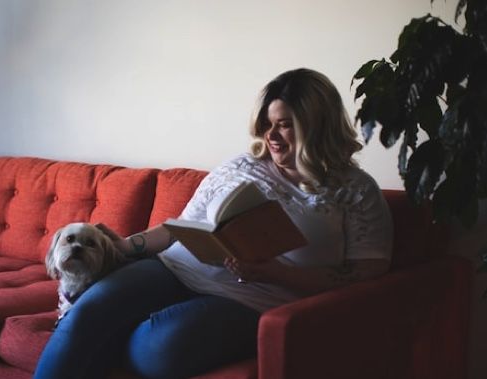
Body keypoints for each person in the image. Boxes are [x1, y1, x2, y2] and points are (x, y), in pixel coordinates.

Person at [33, 68, 393, 379]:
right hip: (175, 267)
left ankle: (103, 341)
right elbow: (179, 227)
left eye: (285, 126)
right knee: (86, 314)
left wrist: (272, 273)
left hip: (252, 298)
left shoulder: (356, 191)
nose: (271, 136)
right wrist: (126, 246)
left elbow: (364, 277)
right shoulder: (240, 166)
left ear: (317, 127)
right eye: (267, 125)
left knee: (155, 348)